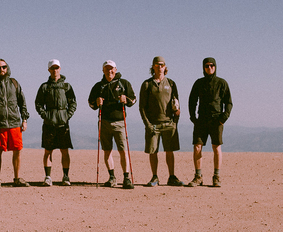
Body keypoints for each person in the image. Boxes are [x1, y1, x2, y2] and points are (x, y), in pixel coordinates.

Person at [0, 58, 30, 188]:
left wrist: (24, 119)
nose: (1, 69)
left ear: (7, 68)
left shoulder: (14, 83)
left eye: (4, 67)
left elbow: (22, 102)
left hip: (14, 122)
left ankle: (17, 178)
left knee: (17, 150)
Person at [88, 60, 136, 189]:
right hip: (104, 122)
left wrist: (126, 100)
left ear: (115, 69)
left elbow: (133, 100)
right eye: (107, 69)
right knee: (107, 150)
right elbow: (91, 103)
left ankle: (126, 178)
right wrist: (97, 102)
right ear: (103, 70)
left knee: (123, 150)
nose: (109, 71)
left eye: (111, 69)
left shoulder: (124, 83)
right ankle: (112, 177)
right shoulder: (98, 86)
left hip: (120, 122)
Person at [187, 57, 233, 187]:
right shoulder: (199, 83)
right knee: (197, 146)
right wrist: (192, 117)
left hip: (216, 120)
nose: (209, 68)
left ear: (215, 66)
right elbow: (192, 100)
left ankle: (216, 176)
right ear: (203, 67)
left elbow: (228, 102)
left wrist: (223, 118)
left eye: (212, 65)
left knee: (216, 147)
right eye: (207, 66)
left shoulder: (221, 83)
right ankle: (198, 176)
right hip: (201, 120)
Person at [138, 56, 183, 187]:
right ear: (153, 67)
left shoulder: (171, 83)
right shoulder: (147, 84)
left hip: (169, 123)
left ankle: (172, 176)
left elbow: (177, 104)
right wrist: (147, 124)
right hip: (153, 124)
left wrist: (175, 122)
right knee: (153, 152)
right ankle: (154, 176)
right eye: (157, 65)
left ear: (165, 67)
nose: (159, 67)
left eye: (162, 65)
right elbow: (142, 107)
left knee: (170, 151)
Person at [34, 59, 76, 186]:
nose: (55, 70)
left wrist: (67, 115)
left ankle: (66, 176)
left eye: (57, 68)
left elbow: (73, 103)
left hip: (63, 123)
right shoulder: (44, 87)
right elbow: (38, 103)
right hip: (49, 123)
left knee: (64, 150)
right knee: (48, 150)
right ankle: (48, 177)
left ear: (60, 69)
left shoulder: (66, 86)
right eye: (52, 68)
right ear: (49, 70)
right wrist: (45, 116)